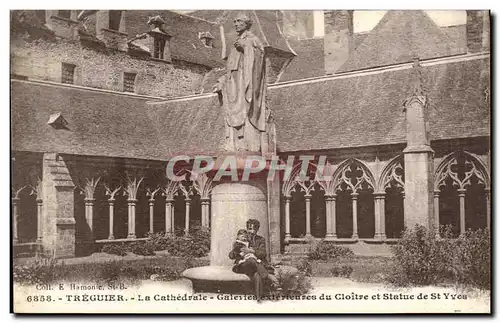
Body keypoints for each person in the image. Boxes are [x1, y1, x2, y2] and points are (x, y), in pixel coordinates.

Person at [212, 13, 269, 153]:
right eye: (234, 21)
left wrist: (246, 48)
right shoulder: (235, 44)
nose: (236, 24)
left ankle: (246, 144)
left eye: (239, 21)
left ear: (246, 24)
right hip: (233, 87)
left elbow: (259, 60)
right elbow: (231, 69)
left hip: (245, 85)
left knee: (246, 111)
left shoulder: (252, 40)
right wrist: (222, 82)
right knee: (232, 114)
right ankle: (235, 144)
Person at [228, 219, 280, 301]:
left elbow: (263, 254)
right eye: (249, 229)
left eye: (254, 229)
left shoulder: (261, 239)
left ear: (257, 229)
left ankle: (259, 299)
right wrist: (237, 253)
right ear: (247, 228)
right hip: (244, 265)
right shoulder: (243, 238)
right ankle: (268, 276)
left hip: (256, 267)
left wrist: (252, 251)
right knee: (251, 260)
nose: (251, 231)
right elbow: (231, 255)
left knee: (257, 275)